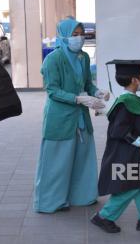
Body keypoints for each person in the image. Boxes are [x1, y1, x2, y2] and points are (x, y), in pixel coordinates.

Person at [33, 18, 110, 213]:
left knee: (83, 157)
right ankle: (51, 202)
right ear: (63, 36)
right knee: (57, 161)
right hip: (60, 117)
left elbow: (87, 84)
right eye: (74, 35)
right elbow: (52, 90)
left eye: (81, 34)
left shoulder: (83, 57)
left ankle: (82, 196)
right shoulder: (53, 59)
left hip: (80, 117)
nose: (79, 38)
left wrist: (97, 92)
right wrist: (78, 99)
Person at [91, 60, 140, 233]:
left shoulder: (131, 100)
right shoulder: (125, 103)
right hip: (127, 154)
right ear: (134, 80)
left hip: (135, 153)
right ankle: (103, 217)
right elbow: (118, 130)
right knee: (131, 187)